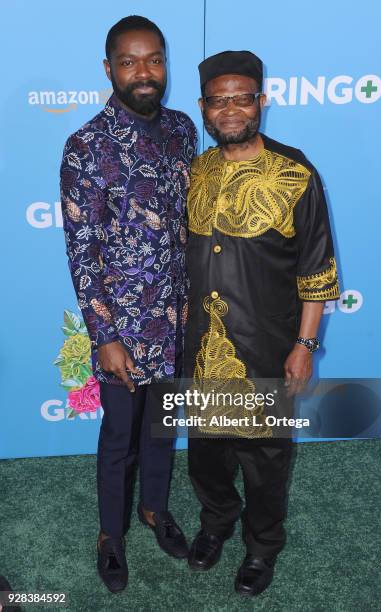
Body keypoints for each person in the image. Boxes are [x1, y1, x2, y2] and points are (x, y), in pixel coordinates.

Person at [184, 50, 340, 597]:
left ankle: (262, 545)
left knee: (265, 459)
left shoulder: (295, 174)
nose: (231, 110)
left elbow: (317, 269)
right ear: (203, 107)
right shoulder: (197, 171)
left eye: (242, 99)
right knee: (205, 453)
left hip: (267, 348)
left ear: (262, 102)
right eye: (219, 100)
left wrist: (304, 344)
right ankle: (216, 522)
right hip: (201, 350)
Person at [60, 16, 197, 593]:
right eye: (129, 61)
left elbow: (188, 227)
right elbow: (82, 252)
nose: (144, 73)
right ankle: (110, 534)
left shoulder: (184, 131)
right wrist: (104, 335)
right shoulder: (85, 147)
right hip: (121, 326)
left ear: (165, 63)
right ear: (109, 68)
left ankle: (154, 509)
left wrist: (193, 308)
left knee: (162, 429)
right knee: (119, 437)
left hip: (178, 319)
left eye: (154, 60)